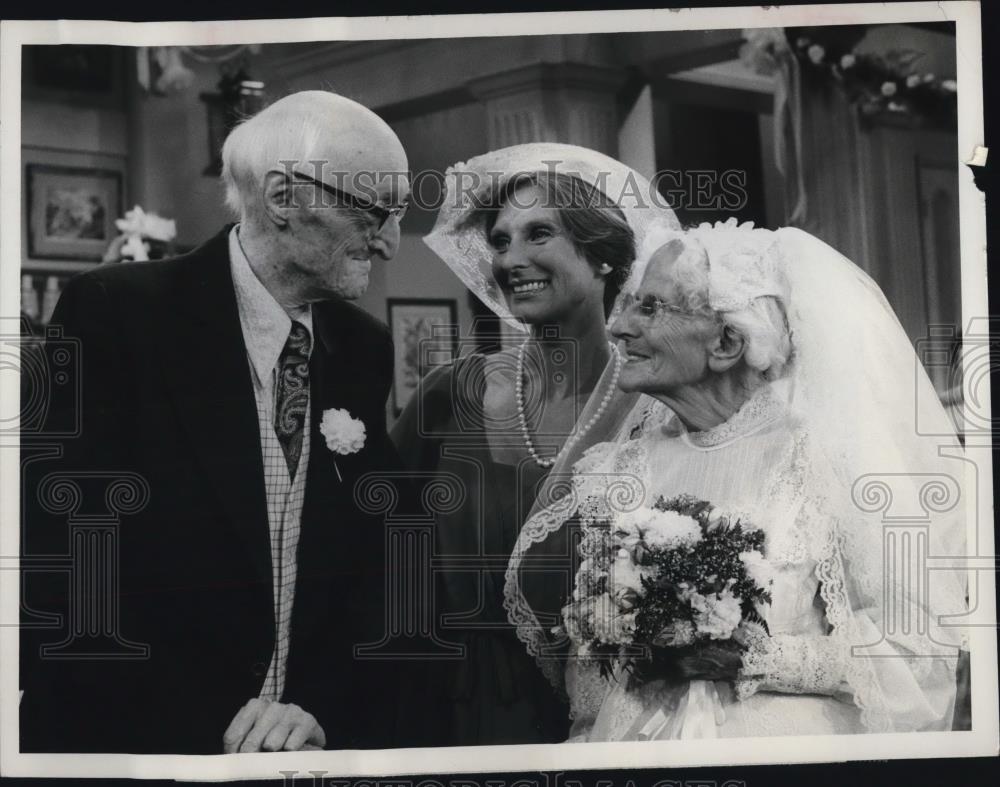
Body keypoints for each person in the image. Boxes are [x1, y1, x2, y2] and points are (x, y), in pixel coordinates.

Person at [20, 91, 411, 754]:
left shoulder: (364, 347)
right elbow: (62, 562)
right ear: (284, 197)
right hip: (135, 743)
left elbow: (366, 565)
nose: (392, 242)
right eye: (375, 209)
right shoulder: (117, 314)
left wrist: (313, 712)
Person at [505, 219, 967, 739]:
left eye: (651, 307)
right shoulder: (614, 471)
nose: (619, 326)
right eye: (629, 303)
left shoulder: (825, 463)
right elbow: (591, 670)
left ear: (726, 342)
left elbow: (914, 651)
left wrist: (758, 656)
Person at [392, 143, 679, 745]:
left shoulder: (657, 408)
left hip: (614, 713)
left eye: (538, 233)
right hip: (455, 709)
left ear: (603, 255)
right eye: (499, 240)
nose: (510, 258)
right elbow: (375, 553)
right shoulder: (453, 393)